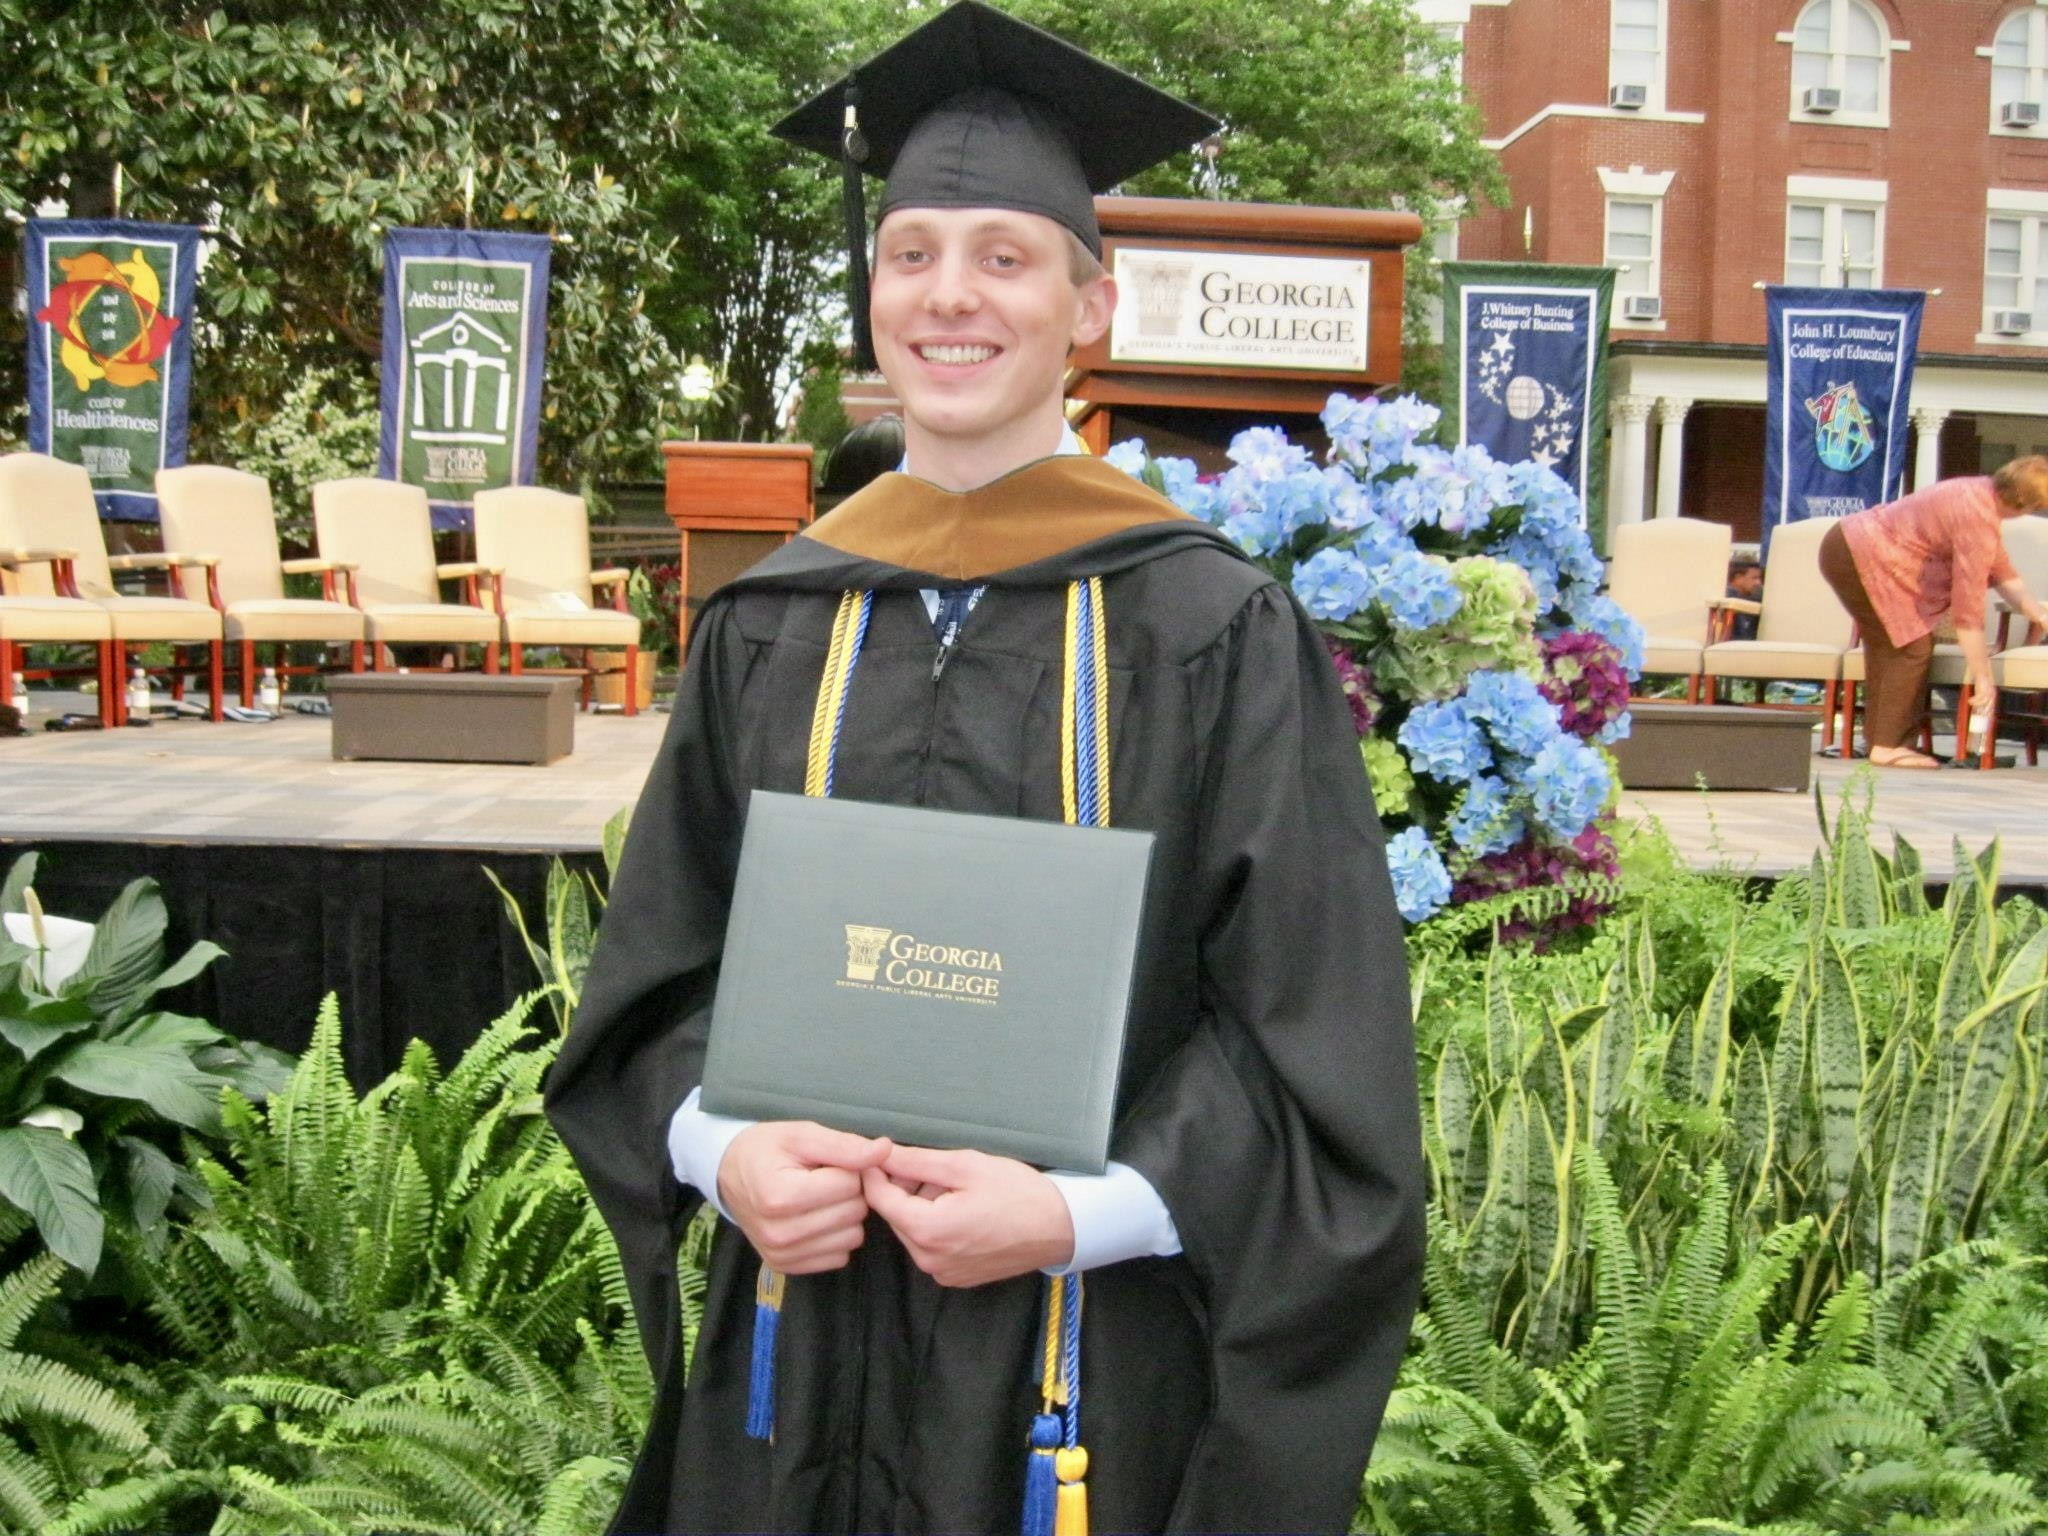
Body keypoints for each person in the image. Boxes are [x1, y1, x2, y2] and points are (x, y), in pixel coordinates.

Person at [544, 4, 1425, 1533]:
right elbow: (657, 979)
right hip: (793, 1357)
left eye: (1004, 258)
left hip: (1077, 1376)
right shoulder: (772, 624)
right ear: (873, 288)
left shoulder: (1209, 628)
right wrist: (725, 1149)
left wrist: (1081, 1214)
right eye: (913, 253)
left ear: (1094, 302)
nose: (951, 298)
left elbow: (1308, 1028)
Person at [1817, 455, 2048, 767]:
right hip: (1863, 556)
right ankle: (1888, 746)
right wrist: (1982, 677)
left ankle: (1882, 741)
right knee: (1911, 646)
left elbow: (2001, 569)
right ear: (2025, 504)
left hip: (1846, 545)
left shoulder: (1979, 490)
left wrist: (2039, 615)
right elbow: (1968, 611)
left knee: (1892, 645)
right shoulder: (1977, 518)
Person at [1724, 558, 1762, 641]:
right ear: (1738, 577)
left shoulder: (1750, 599)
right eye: (1754, 578)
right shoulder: (1729, 597)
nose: (1758, 583)